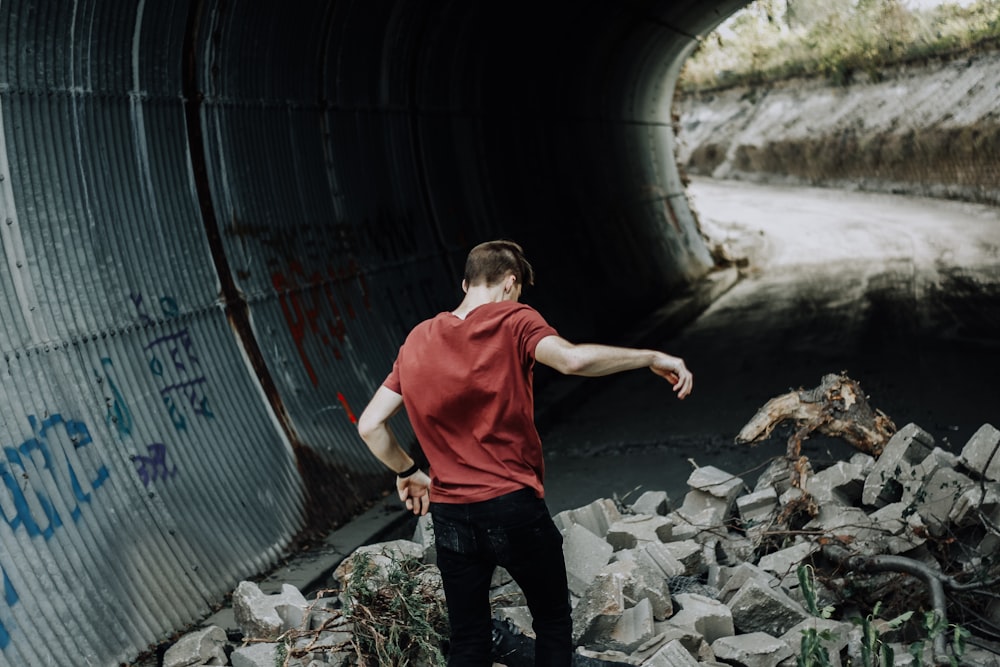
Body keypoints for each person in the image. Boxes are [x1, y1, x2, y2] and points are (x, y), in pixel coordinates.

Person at [357, 239, 693, 667]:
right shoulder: (514, 318)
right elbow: (570, 360)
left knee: (468, 640)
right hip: (512, 508)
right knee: (552, 622)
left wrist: (408, 471)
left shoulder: (418, 338)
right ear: (511, 284)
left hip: (451, 518)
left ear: (466, 283)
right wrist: (650, 356)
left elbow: (370, 425)